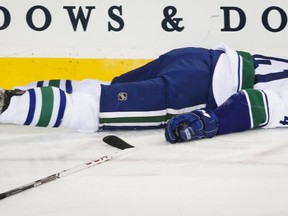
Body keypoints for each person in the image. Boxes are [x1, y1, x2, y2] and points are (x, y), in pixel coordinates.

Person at [0, 44, 288, 144]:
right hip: (196, 89)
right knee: (98, 108)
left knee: (107, 88)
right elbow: (259, 104)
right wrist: (208, 122)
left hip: (197, 58)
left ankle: (16, 94)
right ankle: (8, 106)